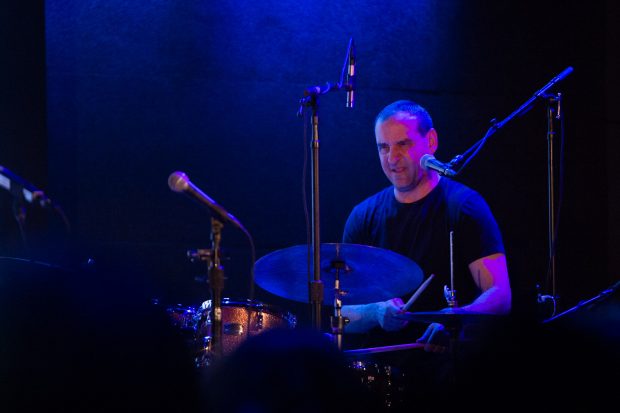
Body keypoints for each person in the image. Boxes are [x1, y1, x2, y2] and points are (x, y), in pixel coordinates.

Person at [339, 100, 512, 409]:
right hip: (375, 385)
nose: (392, 158)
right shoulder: (363, 217)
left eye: (403, 144)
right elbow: (341, 314)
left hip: (448, 380)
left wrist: (456, 320)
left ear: (431, 141)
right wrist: (377, 312)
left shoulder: (464, 208)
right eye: (383, 147)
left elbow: (500, 295)